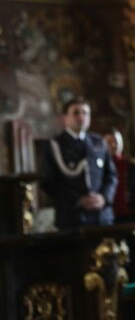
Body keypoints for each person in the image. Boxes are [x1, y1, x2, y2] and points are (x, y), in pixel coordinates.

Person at [40, 97, 117, 229]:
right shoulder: (55, 145)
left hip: (102, 217)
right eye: (76, 113)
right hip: (71, 219)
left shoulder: (99, 142)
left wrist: (104, 198)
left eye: (85, 113)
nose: (81, 117)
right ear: (65, 118)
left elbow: (111, 176)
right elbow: (48, 182)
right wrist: (78, 201)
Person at [104, 128, 135, 225]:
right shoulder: (98, 168)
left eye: (116, 142)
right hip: (107, 217)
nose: (113, 145)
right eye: (109, 142)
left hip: (130, 216)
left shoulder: (132, 166)